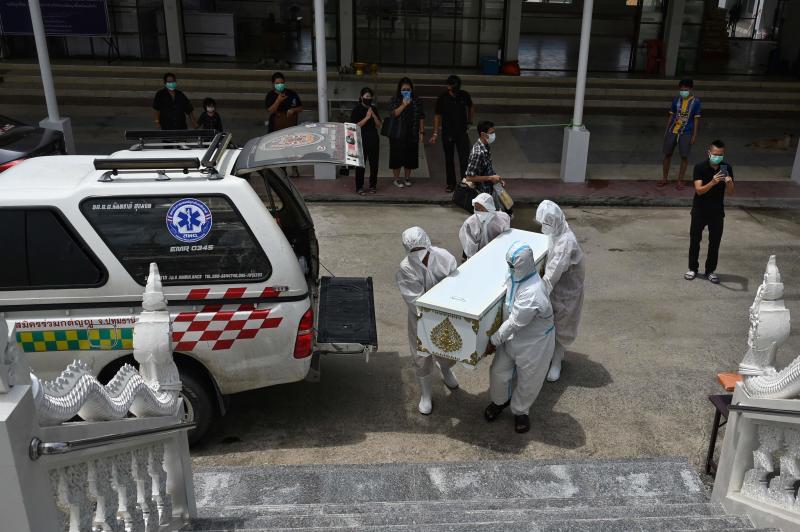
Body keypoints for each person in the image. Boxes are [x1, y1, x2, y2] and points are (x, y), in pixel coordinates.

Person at [485, 242, 555, 433]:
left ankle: (521, 411)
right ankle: (500, 401)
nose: (509, 268)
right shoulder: (516, 275)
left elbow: (515, 322)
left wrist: (493, 341)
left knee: (528, 380)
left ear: (523, 265)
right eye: (508, 264)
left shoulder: (533, 292)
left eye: (512, 265)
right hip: (511, 337)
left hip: (534, 343)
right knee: (498, 371)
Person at [396, 227, 459, 415]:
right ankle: (426, 394)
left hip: (447, 313)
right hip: (420, 317)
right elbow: (415, 301)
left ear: (427, 243)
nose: (418, 253)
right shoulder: (406, 268)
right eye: (413, 250)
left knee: (448, 349)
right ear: (407, 250)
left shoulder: (444, 257)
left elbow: (457, 284)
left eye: (420, 248)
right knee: (421, 356)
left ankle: (445, 370)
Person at [535, 200, 585, 383]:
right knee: (550, 321)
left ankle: (557, 360)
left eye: (545, 224)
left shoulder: (566, 243)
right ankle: (550, 353)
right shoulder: (557, 231)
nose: (543, 227)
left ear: (554, 222)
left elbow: (552, 275)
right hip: (558, 286)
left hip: (567, 291)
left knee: (562, 324)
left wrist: (536, 296)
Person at [685, 140, 734, 284]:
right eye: (715, 154)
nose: (717, 157)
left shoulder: (727, 168)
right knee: (695, 240)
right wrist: (713, 182)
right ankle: (692, 268)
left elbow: (731, 192)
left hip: (717, 211)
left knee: (715, 243)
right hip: (699, 210)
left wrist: (729, 182)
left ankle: (710, 271)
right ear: (709, 153)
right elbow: (699, 191)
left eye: (720, 155)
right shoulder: (700, 167)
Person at [430, 75, 474, 193]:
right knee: (449, 159)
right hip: (447, 132)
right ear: (448, 86)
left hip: (462, 132)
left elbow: (471, 106)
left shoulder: (464, 95)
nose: (455, 88)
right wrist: (435, 133)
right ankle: (451, 183)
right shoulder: (442, 97)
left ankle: (465, 182)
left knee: (464, 158)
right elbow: (437, 115)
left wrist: (470, 121)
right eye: (452, 85)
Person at [660, 79, 701, 190]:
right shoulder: (676, 100)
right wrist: (666, 130)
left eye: (685, 89)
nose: (683, 91)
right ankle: (664, 178)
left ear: (691, 89)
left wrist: (694, 135)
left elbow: (696, 119)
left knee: (684, 156)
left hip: (686, 132)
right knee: (667, 154)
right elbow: (671, 116)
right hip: (673, 130)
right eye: (681, 89)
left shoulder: (696, 102)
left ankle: (680, 180)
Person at [388, 77, 425, 189]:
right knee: (397, 156)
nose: (406, 91)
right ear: (399, 90)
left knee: (410, 156)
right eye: (404, 89)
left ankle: (407, 178)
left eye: (408, 89)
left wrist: (421, 132)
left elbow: (421, 116)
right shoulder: (395, 99)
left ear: (412, 89)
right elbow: (393, 114)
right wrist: (404, 104)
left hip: (412, 132)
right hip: (397, 133)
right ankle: (396, 179)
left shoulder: (417, 100)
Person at [458, 193, 510, 259]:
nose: (479, 212)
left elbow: (506, 238)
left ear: (490, 208)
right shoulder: (470, 224)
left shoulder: (502, 218)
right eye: (476, 209)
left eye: (482, 210)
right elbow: (470, 248)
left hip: (498, 254)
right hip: (479, 257)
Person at [351, 87, 382, 195]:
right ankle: (359, 187)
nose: (368, 98)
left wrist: (373, 115)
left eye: (370, 96)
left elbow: (379, 125)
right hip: (361, 140)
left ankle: (373, 185)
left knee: (374, 165)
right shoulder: (356, 109)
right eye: (366, 96)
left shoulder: (374, 109)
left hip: (373, 139)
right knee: (360, 165)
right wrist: (367, 118)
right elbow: (355, 126)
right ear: (361, 97)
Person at [465, 121, 503, 194]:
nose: (493, 135)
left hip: (489, 190)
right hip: (481, 194)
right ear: (483, 134)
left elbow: (487, 169)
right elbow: (469, 177)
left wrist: (497, 179)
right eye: (491, 133)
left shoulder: (486, 146)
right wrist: (490, 178)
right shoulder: (478, 153)